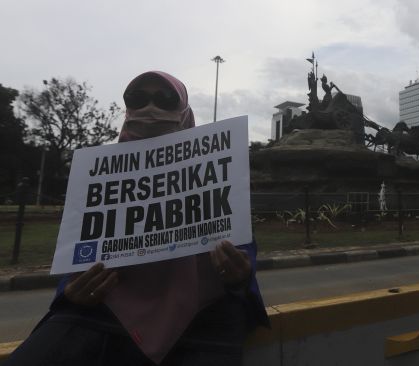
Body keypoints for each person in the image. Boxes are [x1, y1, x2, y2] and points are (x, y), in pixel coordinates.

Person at [6, 71, 269, 366]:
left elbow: (243, 251)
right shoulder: (99, 176)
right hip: (102, 311)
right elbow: (80, 249)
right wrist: (71, 291)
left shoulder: (218, 170)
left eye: (165, 99)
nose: (150, 109)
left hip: (203, 319)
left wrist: (239, 275)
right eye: (138, 98)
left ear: (184, 111)